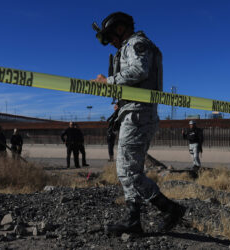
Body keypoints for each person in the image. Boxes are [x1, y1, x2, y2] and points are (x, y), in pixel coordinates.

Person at [93, 12, 186, 235]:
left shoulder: (136, 44)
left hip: (138, 114)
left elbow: (139, 70)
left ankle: (170, 209)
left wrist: (109, 82)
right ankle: (134, 220)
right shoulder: (136, 45)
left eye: (110, 37)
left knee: (128, 171)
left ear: (119, 29)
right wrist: (121, 101)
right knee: (129, 169)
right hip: (135, 110)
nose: (111, 43)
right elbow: (143, 81)